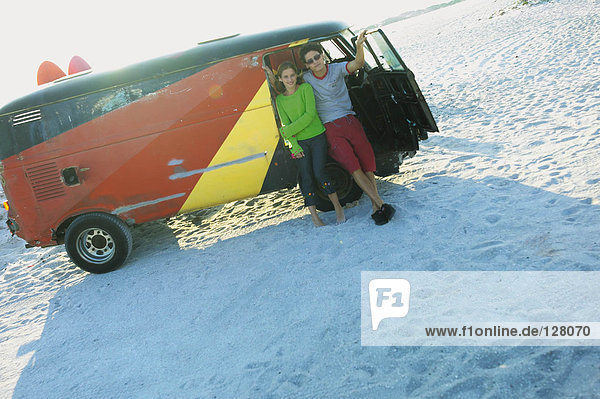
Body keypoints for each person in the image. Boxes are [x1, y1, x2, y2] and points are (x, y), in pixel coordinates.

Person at [299, 31, 395, 225]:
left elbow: (357, 64)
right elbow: (288, 83)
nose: (315, 62)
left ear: (322, 56)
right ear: (307, 65)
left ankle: (377, 208)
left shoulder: (337, 69)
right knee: (353, 166)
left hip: (350, 121)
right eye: (310, 61)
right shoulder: (306, 78)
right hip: (331, 128)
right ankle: (380, 203)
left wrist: (359, 47)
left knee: (367, 163)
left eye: (317, 57)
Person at [263, 61, 345, 227]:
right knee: (306, 178)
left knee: (320, 173)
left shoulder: (305, 89)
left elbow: (310, 115)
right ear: (280, 79)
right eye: (285, 77)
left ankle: (338, 208)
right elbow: (285, 122)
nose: (290, 79)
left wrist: (287, 132)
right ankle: (315, 217)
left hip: (317, 137)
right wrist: (293, 145)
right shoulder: (280, 100)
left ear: (296, 75)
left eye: (292, 75)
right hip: (299, 143)